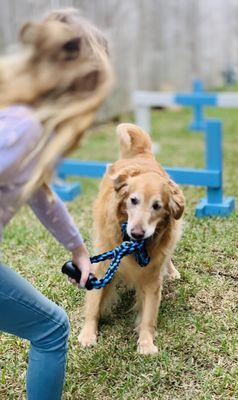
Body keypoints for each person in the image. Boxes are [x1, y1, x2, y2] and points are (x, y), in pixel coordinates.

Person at [0, 8, 112, 400]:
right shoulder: (23, 127)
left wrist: (79, 250)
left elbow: (40, 193)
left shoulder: (18, 116)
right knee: (50, 328)